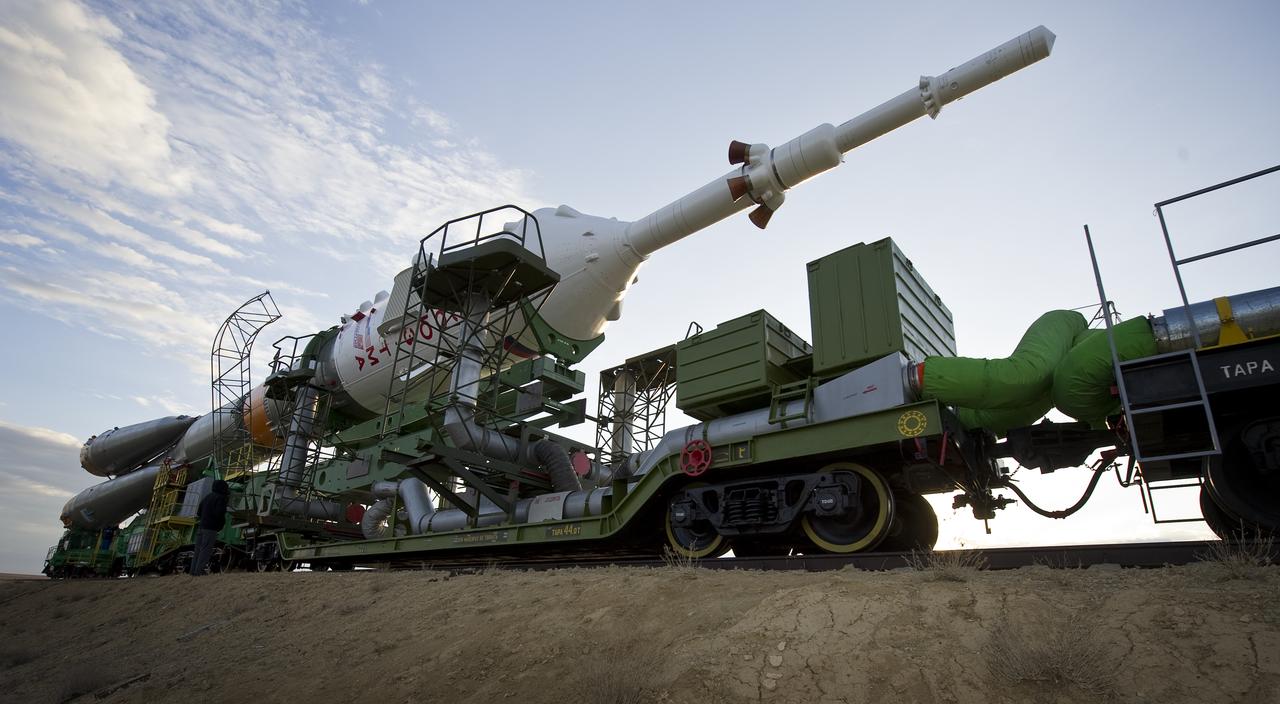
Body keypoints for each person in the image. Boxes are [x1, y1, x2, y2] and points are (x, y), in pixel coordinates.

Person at [190, 479, 229, 576]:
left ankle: (193, 571)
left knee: (198, 550)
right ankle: (199, 571)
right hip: (211, 528)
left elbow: (199, 512)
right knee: (205, 550)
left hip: (201, 527)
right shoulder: (221, 498)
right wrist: (221, 523)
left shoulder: (207, 497)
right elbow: (219, 513)